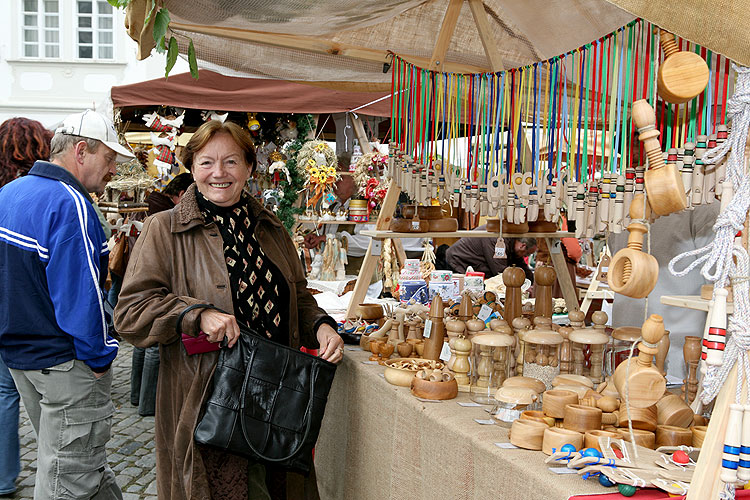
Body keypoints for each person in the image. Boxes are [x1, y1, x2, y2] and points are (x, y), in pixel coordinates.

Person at [113, 120, 344, 500]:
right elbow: (130, 313)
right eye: (206, 162)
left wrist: (320, 325)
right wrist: (196, 314)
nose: (218, 173)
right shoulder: (164, 229)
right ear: (191, 168)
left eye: (231, 162)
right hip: (205, 399)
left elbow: (299, 296)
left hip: (276, 396)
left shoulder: (271, 228)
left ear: (249, 168)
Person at [0, 109, 132, 499]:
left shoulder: (9, 193)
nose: (112, 171)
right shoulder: (70, 203)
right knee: (67, 479)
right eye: (109, 159)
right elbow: (83, 297)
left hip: (22, 357)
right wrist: (100, 357)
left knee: (77, 464)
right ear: (80, 151)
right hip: (63, 362)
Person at [0, 117, 52, 497]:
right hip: (30, 313)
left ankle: (3, 478)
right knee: (37, 397)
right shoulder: (39, 193)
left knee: (3, 394)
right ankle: (52, 470)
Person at [609, 202, 720, 380]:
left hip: (653, 354)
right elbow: (720, 283)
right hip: (673, 360)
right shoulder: (705, 209)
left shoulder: (623, 205)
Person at [445, 225, 538, 282]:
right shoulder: (498, 240)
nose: (524, 256)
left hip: (473, 263)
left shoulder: (512, 242)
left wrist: (531, 282)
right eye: (526, 254)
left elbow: (520, 263)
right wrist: (521, 286)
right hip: (458, 261)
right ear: (522, 246)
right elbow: (499, 271)